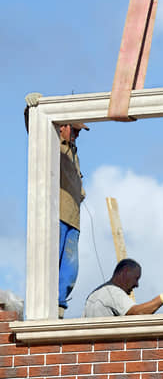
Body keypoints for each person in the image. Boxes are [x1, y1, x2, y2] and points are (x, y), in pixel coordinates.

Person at [25, 92, 89, 318]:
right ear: (62, 126)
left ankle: (59, 307)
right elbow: (35, 128)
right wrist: (31, 109)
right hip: (56, 215)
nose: (78, 135)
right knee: (50, 261)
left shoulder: (73, 151)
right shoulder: (52, 142)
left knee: (71, 267)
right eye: (76, 130)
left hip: (73, 218)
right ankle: (46, 307)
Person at [83, 258, 163, 317]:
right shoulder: (112, 292)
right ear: (125, 272)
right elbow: (135, 313)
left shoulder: (94, 295)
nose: (137, 285)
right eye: (136, 278)